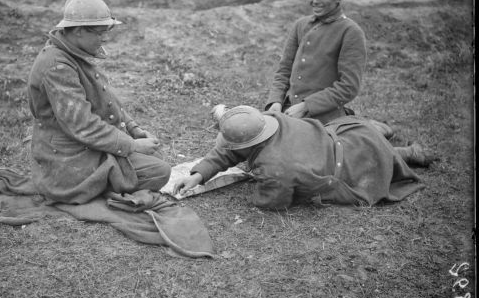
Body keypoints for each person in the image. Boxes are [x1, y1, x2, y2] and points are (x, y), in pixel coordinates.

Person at [27, 0, 171, 204]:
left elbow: (105, 98)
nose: (105, 37)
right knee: (159, 171)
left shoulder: (74, 51)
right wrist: (131, 146)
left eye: (107, 30)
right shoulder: (57, 66)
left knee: (155, 159)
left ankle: (106, 181)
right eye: (99, 32)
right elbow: (83, 125)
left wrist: (133, 129)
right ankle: (86, 187)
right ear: (77, 31)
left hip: (83, 144)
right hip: (68, 156)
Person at [174, 106, 430, 210]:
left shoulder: (276, 168)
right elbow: (229, 151)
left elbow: (274, 202)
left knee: (379, 165)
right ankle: (388, 137)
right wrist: (198, 175)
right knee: (375, 144)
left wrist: (257, 196)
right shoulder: (270, 120)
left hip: (347, 169)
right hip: (353, 136)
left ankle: (407, 153)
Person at [265, 0, 392, 137]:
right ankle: (368, 128)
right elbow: (284, 70)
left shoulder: (350, 32)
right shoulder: (300, 25)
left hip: (323, 117)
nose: (315, 1)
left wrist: (306, 106)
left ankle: (392, 144)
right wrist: (275, 101)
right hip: (288, 109)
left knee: (319, 154)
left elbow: (348, 86)